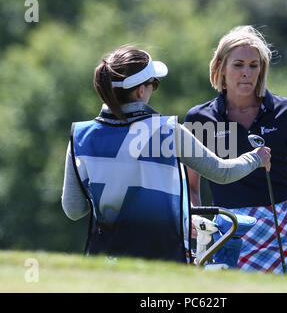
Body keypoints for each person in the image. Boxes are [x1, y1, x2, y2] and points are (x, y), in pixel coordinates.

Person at [61, 46, 271, 262]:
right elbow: (222, 172)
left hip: (106, 261)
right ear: (140, 91)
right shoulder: (167, 130)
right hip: (164, 257)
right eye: (154, 84)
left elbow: (74, 210)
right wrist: (256, 157)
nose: (154, 89)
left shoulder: (80, 136)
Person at [184, 26, 287, 275]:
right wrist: (197, 220)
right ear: (221, 68)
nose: (246, 73)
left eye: (254, 65)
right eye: (238, 65)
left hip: (285, 228)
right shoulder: (200, 118)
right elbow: (191, 187)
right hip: (229, 228)